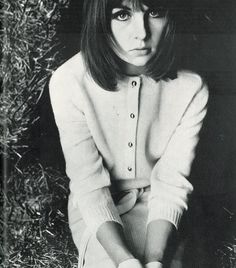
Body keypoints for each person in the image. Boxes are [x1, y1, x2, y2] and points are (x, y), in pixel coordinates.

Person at [49, 0, 209, 267]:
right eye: (122, 15)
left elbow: (171, 185)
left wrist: (156, 260)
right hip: (98, 208)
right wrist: (125, 261)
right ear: (100, 20)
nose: (142, 33)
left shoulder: (192, 87)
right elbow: (89, 187)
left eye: (154, 13)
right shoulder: (69, 81)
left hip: (161, 209)